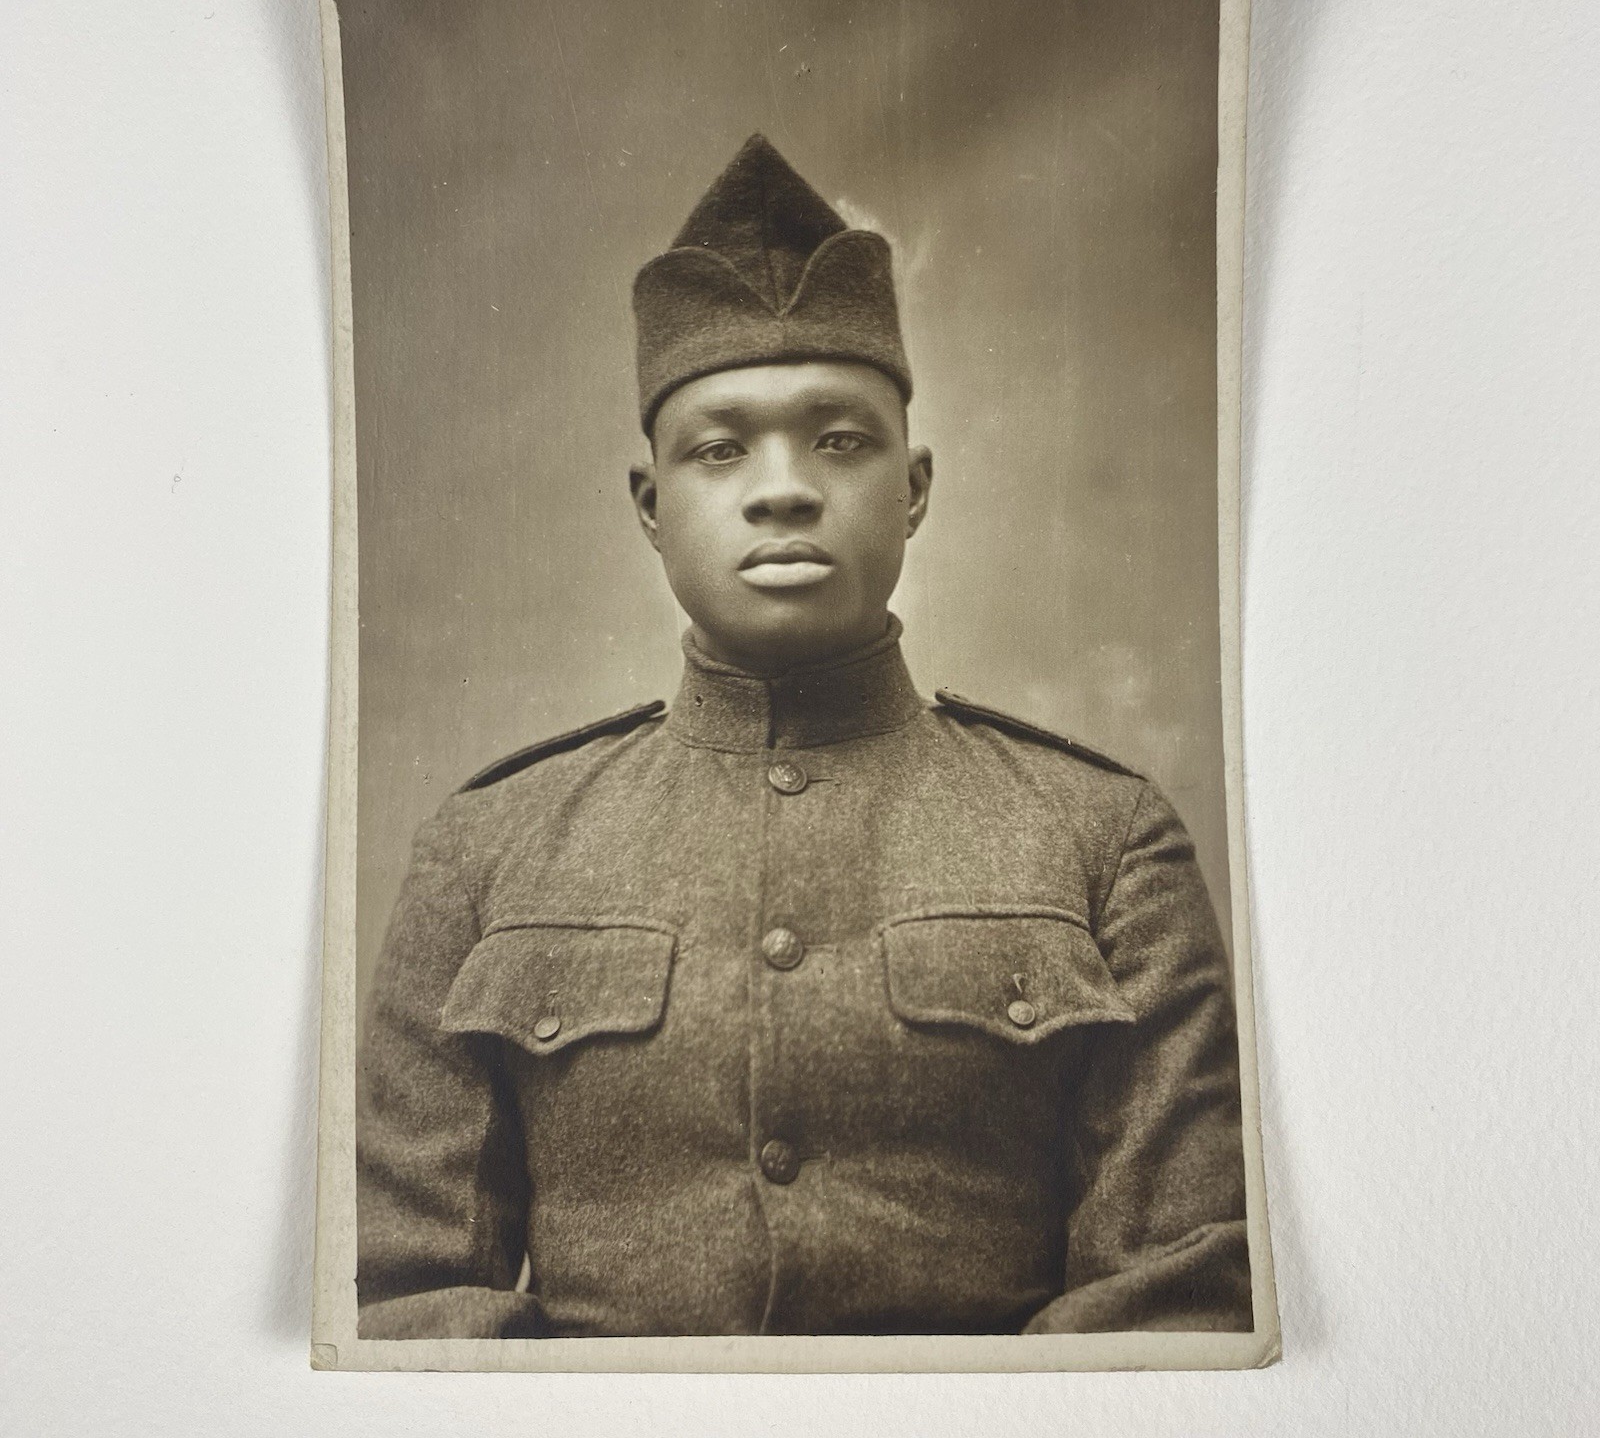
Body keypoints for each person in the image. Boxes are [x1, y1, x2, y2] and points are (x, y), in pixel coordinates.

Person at [356, 134, 1252, 1339]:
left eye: (838, 439)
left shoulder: (1102, 836)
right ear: (650, 504)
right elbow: (409, 1303)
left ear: (915, 486)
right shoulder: (487, 848)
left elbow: (1178, 1298)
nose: (781, 488)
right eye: (719, 447)